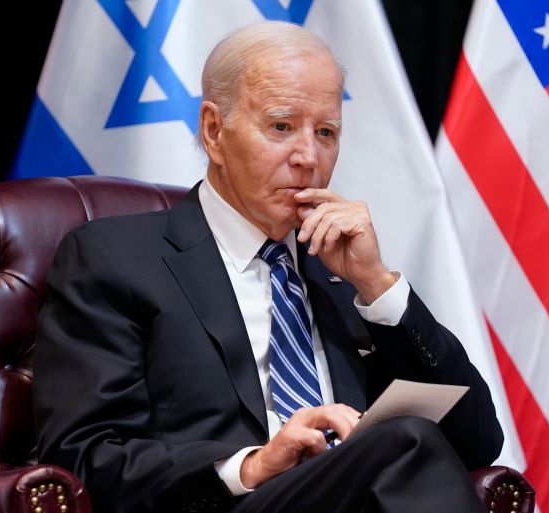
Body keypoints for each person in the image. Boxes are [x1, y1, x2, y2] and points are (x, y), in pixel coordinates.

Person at [33, 21, 503, 513]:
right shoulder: (117, 259)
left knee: (409, 442)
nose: (308, 157)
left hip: (356, 499)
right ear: (214, 131)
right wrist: (254, 464)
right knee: (404, 440)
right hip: (226, 503)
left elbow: (476, 440)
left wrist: (377, 285)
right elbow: (84, 458)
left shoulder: (341, 275)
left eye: (326, 133)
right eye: (281, 127)